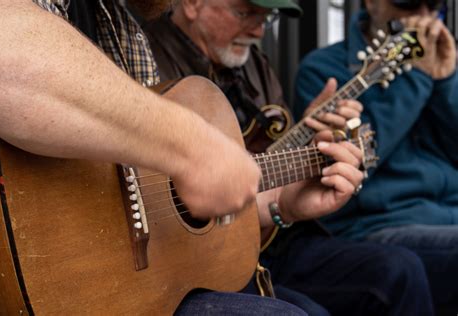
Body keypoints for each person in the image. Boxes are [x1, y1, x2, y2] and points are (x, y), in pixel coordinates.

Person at [0, 1, 361, 315]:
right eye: (246, 13)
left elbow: (154, 198)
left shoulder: (122, 24)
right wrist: (190, 145)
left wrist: (278, 205)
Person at [141, 0, 435, 315]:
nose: (258, 29)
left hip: (271, 235)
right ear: (192, 3)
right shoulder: (147, 59)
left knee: (400, 270)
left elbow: (268, 161)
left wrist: (307, 130)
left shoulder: (255, 65)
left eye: (267, 17)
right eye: (245, 13)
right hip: (193, 252)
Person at [294, 0, 458, 311]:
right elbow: (358, 158)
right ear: (372, 3)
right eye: (407, 4)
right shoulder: (324, 69)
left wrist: (447, 81)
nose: (422, 18)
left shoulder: (439, 65)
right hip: (378, 225)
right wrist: (417, 79)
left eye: (433, 5)